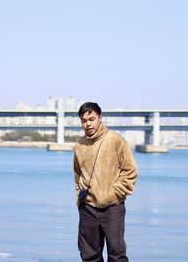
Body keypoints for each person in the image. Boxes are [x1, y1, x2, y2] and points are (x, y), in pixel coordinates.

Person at [73, 102, 138, 262]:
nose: (88, 124)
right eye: (84, 120)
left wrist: (114, 193)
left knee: (117, 254)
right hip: (88, 208)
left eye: (92, 119)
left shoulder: (115, 140)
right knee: (88, 255)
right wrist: (79, 197)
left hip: (113, 208)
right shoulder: (80, 145)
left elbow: (130, 171)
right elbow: (77, 174)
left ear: (100, 118)